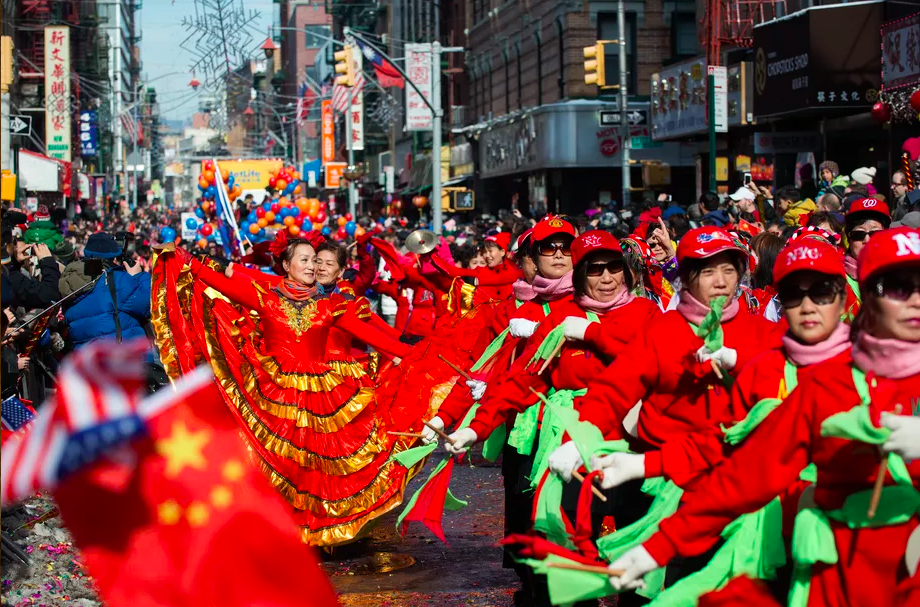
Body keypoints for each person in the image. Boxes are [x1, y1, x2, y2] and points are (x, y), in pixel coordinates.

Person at [606, 227, 920, 607]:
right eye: (896, 286)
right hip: (843, 572)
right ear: (866, 296)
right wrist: (656, 547)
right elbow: (743, 469)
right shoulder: (828, 385)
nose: (914, 300)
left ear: (843, 297)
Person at [150, 231, 425, 546]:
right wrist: (178, 257)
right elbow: (212, 280)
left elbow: (381, 341)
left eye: (316, 261)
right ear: (285, 265)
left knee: (319, 469)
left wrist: (425, 354)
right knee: (280, 465)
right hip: (274, 393)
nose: (313, 267)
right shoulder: (265, 297)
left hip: (323, 397)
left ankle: (315, 533)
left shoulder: (331, 304)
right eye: (306, 260)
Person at [446, 230, 662, 606]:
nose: (607, 279)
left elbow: (648, 366)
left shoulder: (646, 313)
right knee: (567, 554)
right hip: (572, 451)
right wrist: (475, 427)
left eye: (614, 268)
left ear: (627, 273)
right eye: (595, 271)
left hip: (633, 447)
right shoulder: (563, 317)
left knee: (640, 563)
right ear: (580, 277)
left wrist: (594, 335)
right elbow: (521, 379)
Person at [63, 232, 150, 347]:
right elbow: (148, 304)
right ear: (114, 258)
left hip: (86, 358)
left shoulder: (69, 280)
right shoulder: (119, 280)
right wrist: (139, 276)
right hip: (122, 356)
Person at [842, 197, 890, 322]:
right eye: (859, 234)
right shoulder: (836, 278)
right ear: (849, 238)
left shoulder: (902, 273)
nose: (867, 241)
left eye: (875, 233)